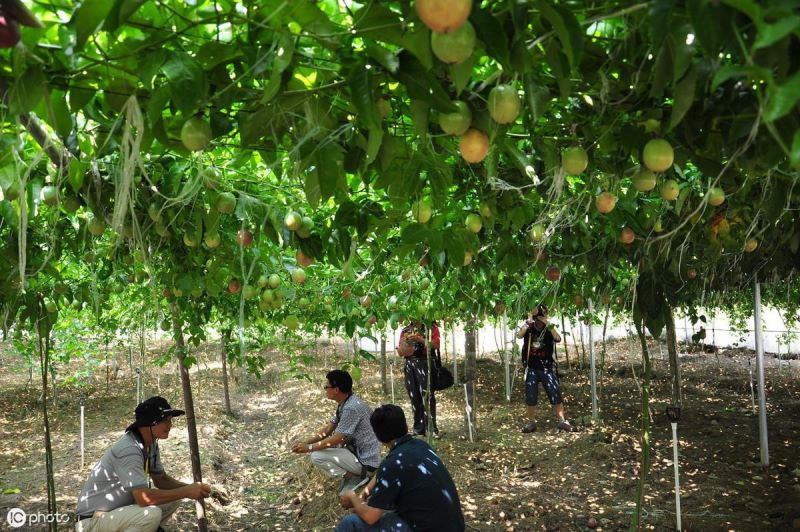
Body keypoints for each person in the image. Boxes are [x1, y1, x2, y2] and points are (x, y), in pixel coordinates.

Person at [75, 396, 212, 532]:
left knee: (172, 499)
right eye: (165, 420)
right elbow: (143, 498)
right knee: (151, 514)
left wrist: (192, 488)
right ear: (149, 424)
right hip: (91, 522)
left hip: (114, 515)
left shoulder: (150, 445)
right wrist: (186, 491)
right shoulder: (129, 450)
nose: (170, 425)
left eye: (170, 420)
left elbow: (161, 480)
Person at [336, 404, 465, 532]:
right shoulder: (420, 445)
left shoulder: (393, 464)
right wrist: (362, 497)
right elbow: (383, 470)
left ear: (378, 437)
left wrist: (352, 497)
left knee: (351, 523)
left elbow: (371, 517)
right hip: (453, 526)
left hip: (426, 528)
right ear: (406, 426)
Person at [290, 370, 381, 494]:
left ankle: (356, 477)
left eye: (327, 386)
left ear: (336, 390)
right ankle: (354, 475)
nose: (325, 389)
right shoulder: (346, 403)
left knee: (316, 456)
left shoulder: (351, 407)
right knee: (319, 450)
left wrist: (309, 448)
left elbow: (338, 438)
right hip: (356, 452)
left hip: (366, 461)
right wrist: (305, 443)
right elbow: (328, 429)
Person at [516, 304, 577, 433]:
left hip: (546, 367)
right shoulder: (529, 327)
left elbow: (558, 338)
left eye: (541, 315)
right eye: (537, 316)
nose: (539, 319)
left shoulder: (549, 328)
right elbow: (519, 335)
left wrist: (548, 324)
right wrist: (528, 321)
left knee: (554, 392)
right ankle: (531, 422)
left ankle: (562, 421)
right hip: (532, 367)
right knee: (531, 395)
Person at [397, 319, 439, 437]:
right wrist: (406, 344)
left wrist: (420, 339)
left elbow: (436, 345)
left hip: (425, 362)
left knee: (427, 395)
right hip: (410, 364)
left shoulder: (431, 328)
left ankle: (431, 428)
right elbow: (400, 353)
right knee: (414, 395)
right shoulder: (405, 330)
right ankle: (419, 428)